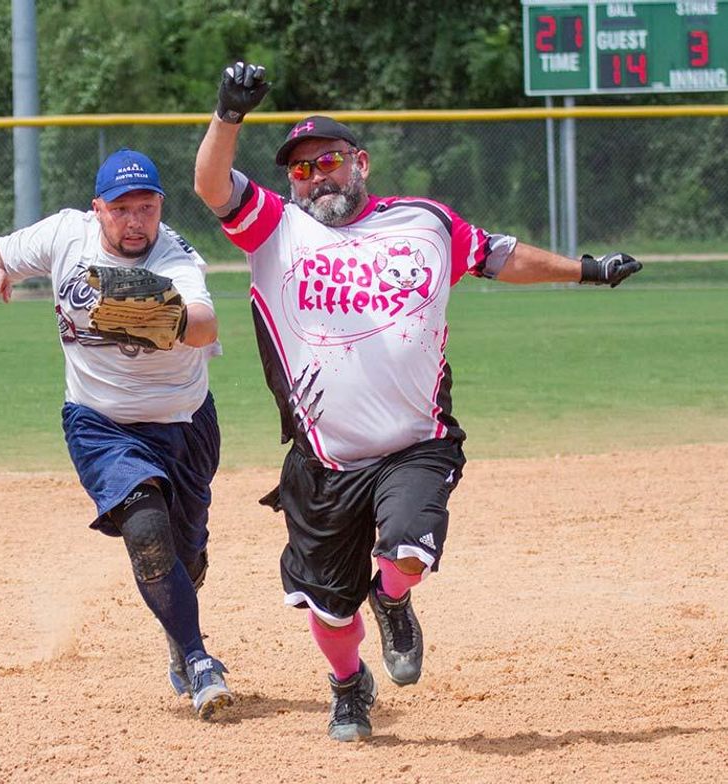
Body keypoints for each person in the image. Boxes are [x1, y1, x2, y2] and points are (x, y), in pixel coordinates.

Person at [194, 62, 643, 742]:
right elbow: (210, 185)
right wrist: (228, 114)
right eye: (303, 170)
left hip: (416, 442)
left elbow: (501, 256)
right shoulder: (275, 229)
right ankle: (348, 684)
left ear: (361, 163)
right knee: (329, 609)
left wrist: (587, 269)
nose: (316, 177)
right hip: (325, 460)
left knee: (406, 552)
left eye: (329, 161)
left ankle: (393, 596)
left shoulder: (424, 222)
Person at [0, 148, 233, 720]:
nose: (135, 221)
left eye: (147, 208)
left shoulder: (175, 256)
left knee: (186, 557)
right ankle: (198, 659)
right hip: (100, 421)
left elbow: (207, 323)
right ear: (98, 209)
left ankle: (179, 618)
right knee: (147, 530)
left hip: (183, 423)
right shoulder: (67, 233)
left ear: (161, 207)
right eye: (121, 209)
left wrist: (156, 315)